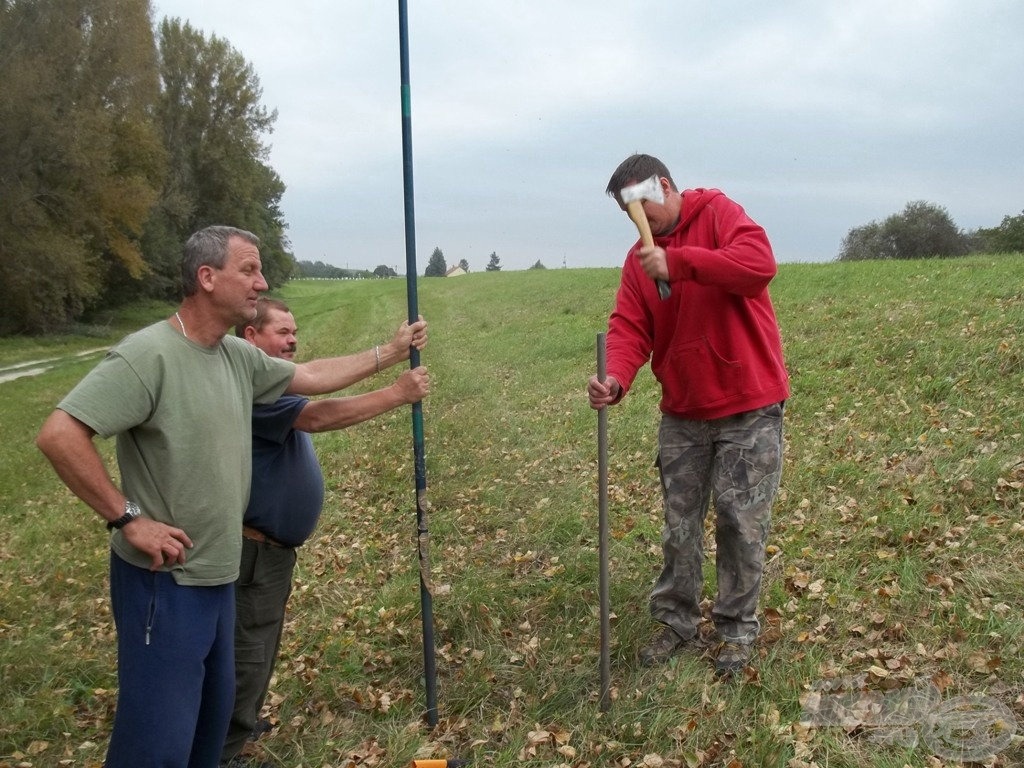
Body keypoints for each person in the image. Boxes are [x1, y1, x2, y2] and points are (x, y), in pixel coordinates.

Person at [35, 225, 428, 768]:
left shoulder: (234, 359)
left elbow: (310, 375)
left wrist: (391, 350)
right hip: (165, 581)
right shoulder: (148, 355)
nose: (261, 282)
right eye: (249, 270)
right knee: (157, 745)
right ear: (206, 277)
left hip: (218, 578)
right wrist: (127, 518)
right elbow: (59, 435)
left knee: (206, 737)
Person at [587, 154, 789, 677]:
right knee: (680, 527)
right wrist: (616, 378)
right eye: (625, 211)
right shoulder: (638, 261)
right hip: (682, 412)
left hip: (748, 404)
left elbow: (757, 265)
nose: (637, 219)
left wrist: (680, 263)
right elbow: (630, 327)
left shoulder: (719, 214)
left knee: (740, 523)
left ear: (666, 186)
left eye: (641, 204)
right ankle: (676, 621)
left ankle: (736, 631)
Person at [221, 298, 430, 767]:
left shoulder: (266, 379)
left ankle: (242, 724)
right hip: (251, 553)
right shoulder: (255, 387)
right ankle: (223, 750)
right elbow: (317, 414)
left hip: (267, 552)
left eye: (295, 331)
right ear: (250, 338)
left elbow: (317, 372)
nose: (292, 339)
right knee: (246, 654)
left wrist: (393, 355)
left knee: (258, 644)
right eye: (281, 332)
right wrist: (396, 392)